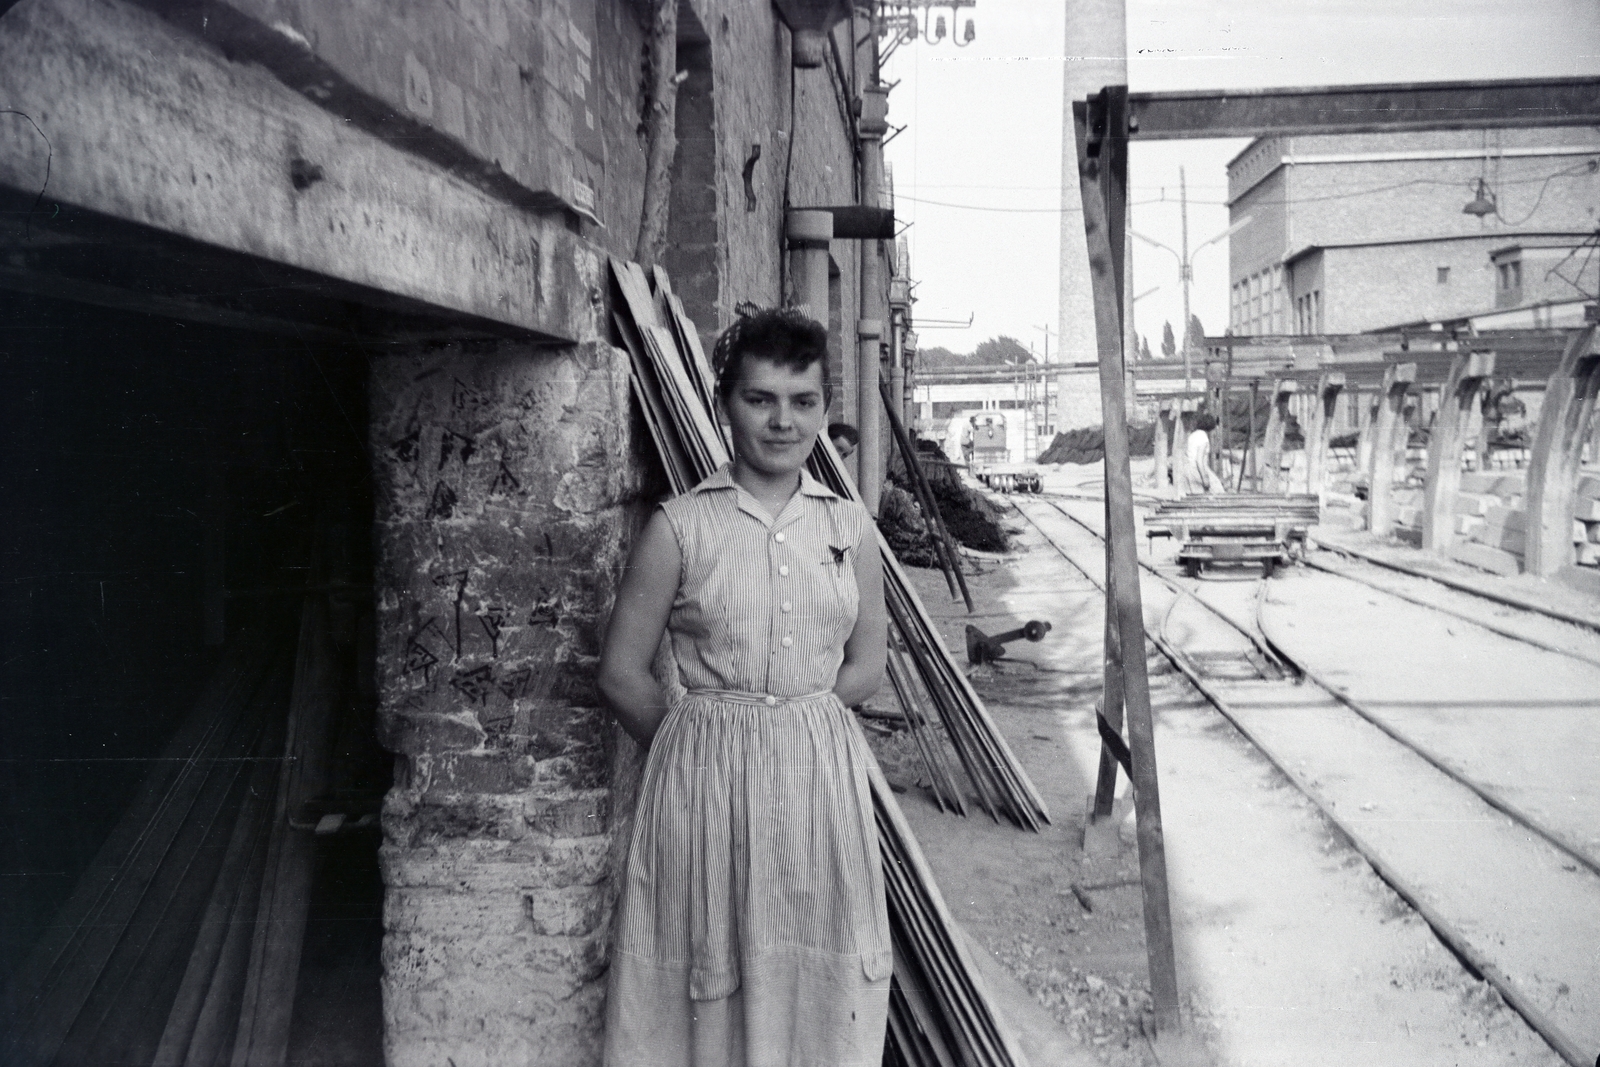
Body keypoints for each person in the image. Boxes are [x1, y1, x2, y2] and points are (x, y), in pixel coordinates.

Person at [598, 308, 890, 1067]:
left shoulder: (851, 529)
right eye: (760, 399)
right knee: (704, 969)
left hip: (818, 788)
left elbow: (868, 664)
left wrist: (799, 720)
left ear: (824, 410)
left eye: (802, 401)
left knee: (818, 966)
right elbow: (622, 672)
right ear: (726, 403)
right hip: (704, 790)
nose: (782, 421)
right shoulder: (681, 526)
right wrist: (698, 745)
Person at [1183, 412, 1221, 495]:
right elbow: (1199, 460)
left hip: (1188, 469)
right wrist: (1204, 477)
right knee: (1218, 490)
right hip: (1197, 469)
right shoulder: (1203, 438)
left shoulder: (1192, 435)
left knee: (1195, 496)